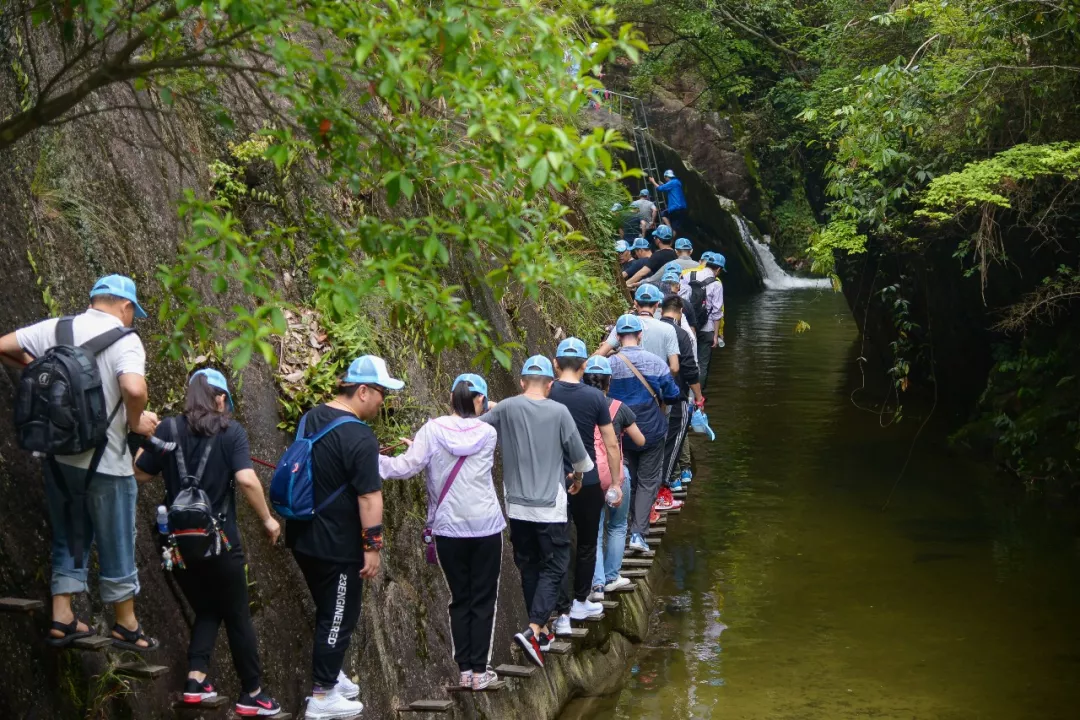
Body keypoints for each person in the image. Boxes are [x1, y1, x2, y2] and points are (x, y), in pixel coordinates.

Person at [0, 274, 160, 650]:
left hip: (58, 455)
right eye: (133, 313)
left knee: (68, 533)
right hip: (108, 464)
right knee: (117, 538)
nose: (132, 319)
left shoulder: (56, 327)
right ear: (125, 307)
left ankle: (63, 615)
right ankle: (126, 624)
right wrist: (137, 421)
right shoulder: (127, 340)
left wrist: (36, 372)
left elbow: (4, 345)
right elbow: (134, 388)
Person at [133, 370, 282, 716]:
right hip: (221, 543)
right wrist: (268, 519)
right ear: (218, 398)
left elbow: (138, 472)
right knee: (238, 614)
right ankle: (253, 693)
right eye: (225, 400)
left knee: (208, 608)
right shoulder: (232, 433)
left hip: (177, 546)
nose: (225, 407)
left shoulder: (168, 428)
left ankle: (196, 680)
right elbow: (246, 480)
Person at [286, 355, 398, 719]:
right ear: (362, 390)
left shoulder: (311, 417)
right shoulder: (360, 436)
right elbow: (369, 497)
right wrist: (373, 547)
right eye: (382, 392)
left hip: (303, 533)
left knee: (327, 609)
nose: (384, 401)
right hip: (336, 544)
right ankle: (321, 697)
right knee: (340, 614)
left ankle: (331, 675)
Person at [379, 374, 504, 691]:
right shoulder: (488, 433)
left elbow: (406, 467)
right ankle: (480, 671)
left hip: (449, 529)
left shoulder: (431, 431)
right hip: (486, 526)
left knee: (460, 598)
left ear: (451, 398)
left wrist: (369, 458)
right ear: (480, 401)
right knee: (483, 598)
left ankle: (464, 671)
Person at [480, 356, 593, 668]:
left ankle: (541, 631)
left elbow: (474, 431)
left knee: (528, 565)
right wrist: (578, 479)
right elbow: (581, 460)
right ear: (550, 384)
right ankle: (533, 629)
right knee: (555, 565)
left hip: (516, 505)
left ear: (521, 382)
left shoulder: (506, 408)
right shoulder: (559, 412)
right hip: (550, 507)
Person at [548, 339, 622, 635]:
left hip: (553, 480)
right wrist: (615, 482)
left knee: (559, 543)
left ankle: (561, 611)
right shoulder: (595, 397)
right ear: (583, 366)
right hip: (588, 480)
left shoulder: (547, 392)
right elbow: (610, 442)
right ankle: (580, 600)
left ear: (555, 364)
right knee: (588, 541)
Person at [605, 315, 680, 554]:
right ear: (640, 336)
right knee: (648, 482)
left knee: (626, 478)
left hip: (619, 433)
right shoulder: (656, 363)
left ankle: (623, 528)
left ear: (617, 337)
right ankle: (638, 534)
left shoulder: (608, 364)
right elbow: (671, 395)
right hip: (651, 430)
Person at [582, 357, 645, 601]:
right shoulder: (618, 408)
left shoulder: (578, 407)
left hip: (587, 474)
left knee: (594, 531)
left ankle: (596, 585)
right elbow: (640, 440)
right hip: (616, 475)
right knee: (618, 526)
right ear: (609, 382)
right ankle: (611, 577)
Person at [658, 295, 702, 494]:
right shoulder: (681, 334)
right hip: (675, 395)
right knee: (674, 438)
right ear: (681, 311)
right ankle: (669, 481)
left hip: (650, 395)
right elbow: (690, 370)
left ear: (661, 309)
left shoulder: (648, 331)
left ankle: (663, 480)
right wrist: (699, 397)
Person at [595, 284, 680, 376]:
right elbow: (674, 368)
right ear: (656, 304)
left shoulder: (624, 324)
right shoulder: (668, 329)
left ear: (635, 303)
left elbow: (599, 355)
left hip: (627, 384)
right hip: (656, 386)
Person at [680, 251, 726, 391]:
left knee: (685, 361)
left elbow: (680, 299)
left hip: (686, 327)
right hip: (707, 328)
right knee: (702, 364)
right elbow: (717, 312)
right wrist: (715, 335)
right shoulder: (716, 284)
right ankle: (698, 399)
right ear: (718, 269)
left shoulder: (687, 275)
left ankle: (684, 393)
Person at [626, 225, 677, 289]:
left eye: (655, 237)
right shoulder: (676, 254)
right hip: (675, 287)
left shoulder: (657, 255)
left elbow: (642, 273)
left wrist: (626, 283)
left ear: (658, 240)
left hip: (661, 289)